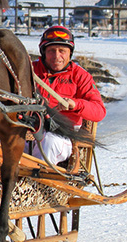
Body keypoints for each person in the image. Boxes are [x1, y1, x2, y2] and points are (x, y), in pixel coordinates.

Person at [31, 25, 106, 165]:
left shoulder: (81, 76)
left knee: (48, 143)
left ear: (70, 53)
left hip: (62, 135)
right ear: (43, 52)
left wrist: (75, 105)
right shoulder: (29, 71)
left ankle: (36, 184)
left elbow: (99, 111)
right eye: (51, 51)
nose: (57, 56)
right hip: (28, 129)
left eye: (62, 51)